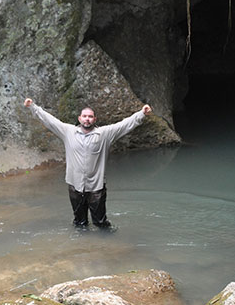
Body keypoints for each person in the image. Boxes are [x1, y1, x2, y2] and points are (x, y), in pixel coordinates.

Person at [24, 98, 152, 229]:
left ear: (94, 119)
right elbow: (49, 120)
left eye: (90, 117)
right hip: (75, 185)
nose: (87, 119)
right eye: (84, 116)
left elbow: (124, 125)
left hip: (96, 187)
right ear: (79, 119)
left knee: (100, 223)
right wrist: (33, 106)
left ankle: (106, 244)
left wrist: (141, 114)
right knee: (79, 223)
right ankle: (81, 245)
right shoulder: (68, 132)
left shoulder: (104, 134)